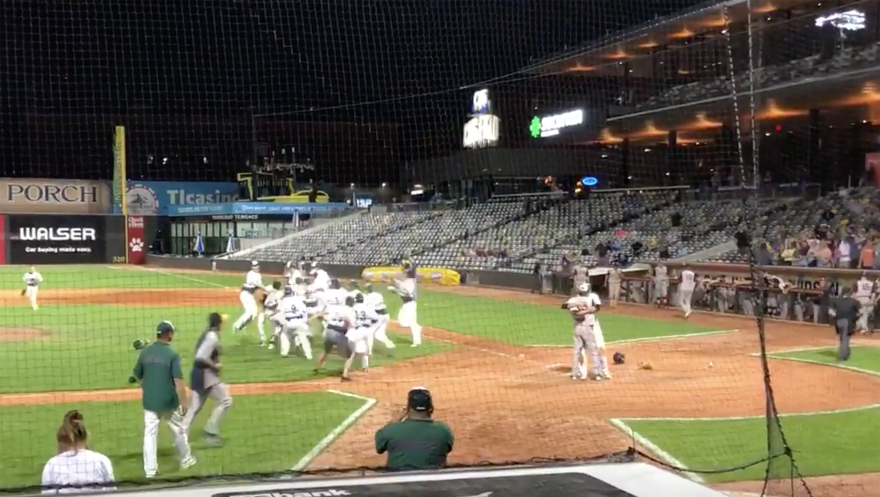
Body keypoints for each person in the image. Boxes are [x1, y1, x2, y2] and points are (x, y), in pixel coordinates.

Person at [132, 321, 196, 479]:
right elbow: (178, 382)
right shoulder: (172, 354)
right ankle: (186, 459)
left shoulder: (145, 352)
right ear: (169, 334)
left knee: (149, 434)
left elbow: (137, 376)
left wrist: (147, 387)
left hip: (150, 401)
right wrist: (184, 402)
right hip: (168, 401)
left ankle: (150, 470)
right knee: (178, 430)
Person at [182, 313, 232, 446]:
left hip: (199, 374)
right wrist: (214, 366)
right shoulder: (212, 336)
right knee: (226, 400)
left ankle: (181, 437)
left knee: (195, 407)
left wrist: (216, 351)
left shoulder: (208, 333)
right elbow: (200, 358)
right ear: (218, 324)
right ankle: (209, 432)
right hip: (205, 375)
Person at [375, 387, 453, 470]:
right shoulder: (443, 430)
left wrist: (394, 421)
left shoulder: (391, 429)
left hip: (399, 480)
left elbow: (379, 448)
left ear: (408, 409)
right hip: (432, 481)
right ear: (431, 408)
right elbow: (445, 449)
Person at [41, 411, 115, 494]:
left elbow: (47, 494)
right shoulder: (101, 460)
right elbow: (111, 493)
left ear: (60, 441)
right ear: (85, 438)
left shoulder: (52, 464)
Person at [829, 287, 860, 363]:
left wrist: (837, 316)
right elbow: (860, 312)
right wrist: (855, 318)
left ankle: (847, 352)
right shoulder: (854, 301)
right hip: (848, 322)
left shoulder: (836, 300)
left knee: (843, 338)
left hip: (838, 321)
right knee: (845, 339)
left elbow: (830, 311)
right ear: (850, 293)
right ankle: (841, 357)